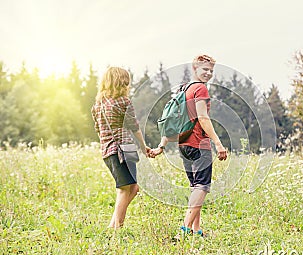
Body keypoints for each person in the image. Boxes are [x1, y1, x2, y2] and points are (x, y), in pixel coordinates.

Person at [151, 55, 228, 238]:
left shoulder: (184, 89)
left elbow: (173, 118)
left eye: (211, 70)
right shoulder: (200, 89)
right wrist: (218, 143)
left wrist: (162, 145)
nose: (208, 73)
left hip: (184, 145)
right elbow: (203, 118)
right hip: (199, 145)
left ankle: (196, 230)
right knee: (202, 186)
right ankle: (184, 230)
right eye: (205, 69)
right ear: (195, 68)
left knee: (196, 187)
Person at [91, 66, 151, 229]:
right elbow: (134, 126)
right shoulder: (123, 101)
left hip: (107, 151)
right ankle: (116, 228)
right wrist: (144, 147)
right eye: (125, 82)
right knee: (126, 189)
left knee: (130, 188)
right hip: (123, 150)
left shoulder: (98, 104)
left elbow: (98, 129)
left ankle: (113, 225)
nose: (127, 85)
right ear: (120, 82)